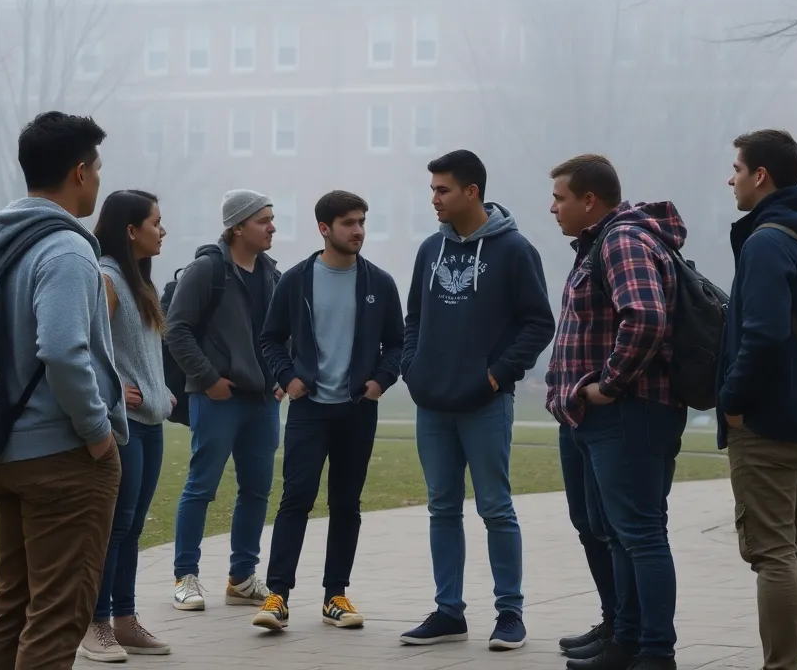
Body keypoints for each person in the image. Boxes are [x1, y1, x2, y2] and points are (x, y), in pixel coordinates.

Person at [0, 111, 126, 670]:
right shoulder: (66, 248)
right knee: (59, 615)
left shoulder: (1, 240)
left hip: (6, 449)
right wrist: (96, 434)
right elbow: (63, 350)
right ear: (80, 171)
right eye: (98, 167)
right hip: (61, 457)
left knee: (13, 605)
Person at [398, 150, 555, 653]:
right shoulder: (429, 250)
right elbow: (413, 320)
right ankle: (449, 612)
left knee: (495, 508)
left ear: (472, 192)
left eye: (442, 190)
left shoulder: (514, 250)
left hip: (485, 405)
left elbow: (538, 322)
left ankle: (510, 613)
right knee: (442, 507)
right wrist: (413, 367)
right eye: (432, 190)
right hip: (433, 404)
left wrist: (496, 376)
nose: (434, 199)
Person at [545, 154, 688, 670]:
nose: (553, 207)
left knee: (641, 534)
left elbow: (645, 317)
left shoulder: (622, 240)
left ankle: (654, 652)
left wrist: (609, 382)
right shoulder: (597, 243)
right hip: (592, 417)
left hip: (629, 412)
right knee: (615, 533)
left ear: (589, 200)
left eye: (560, 197)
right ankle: (624, 639)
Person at [718, 129, 797, 670]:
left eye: (737, 169)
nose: (732, 178)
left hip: (767, 422)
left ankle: (781, 665)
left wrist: (732, 397)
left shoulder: (767, 241)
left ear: (760, 175)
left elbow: (764, 333)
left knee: (774, 553)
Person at [251, 190, 404, 631]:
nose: (358, 231)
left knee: (346, 504)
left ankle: (335, 596)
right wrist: (287, 376)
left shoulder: (380, 283)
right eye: (348, 223)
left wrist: (380, 381)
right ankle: (277, 596)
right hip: (309, 409)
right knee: (295, 499)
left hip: (358, 409)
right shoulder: (296, 280)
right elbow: (270, 338)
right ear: (324, 228)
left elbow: (397, 342)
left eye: (361, 222)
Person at [165, 190, 281, 611]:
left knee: (257, 489)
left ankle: (242, 577)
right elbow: (176, 329)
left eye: (272, 218)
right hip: (218, 397)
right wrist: (208, 378)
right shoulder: (206, 270)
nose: (272, 226)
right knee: (201, 487)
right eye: (263, 220)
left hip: (263, 400)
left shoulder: (272, 273)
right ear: (237, 227)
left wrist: (282, 378)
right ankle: (185, 576)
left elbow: (278, 335)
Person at [79, 190, 176, 661]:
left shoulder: (141, 281)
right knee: (115, 528)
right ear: (130, 229)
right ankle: (94, 625)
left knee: (133, 527)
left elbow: (141, 351)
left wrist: (160, 389)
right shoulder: (109, 279)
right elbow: (85, 345)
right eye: (156, 222)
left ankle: (125, 619)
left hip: (152, 422)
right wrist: (114, 386)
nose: (163, 230)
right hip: (124, 426)